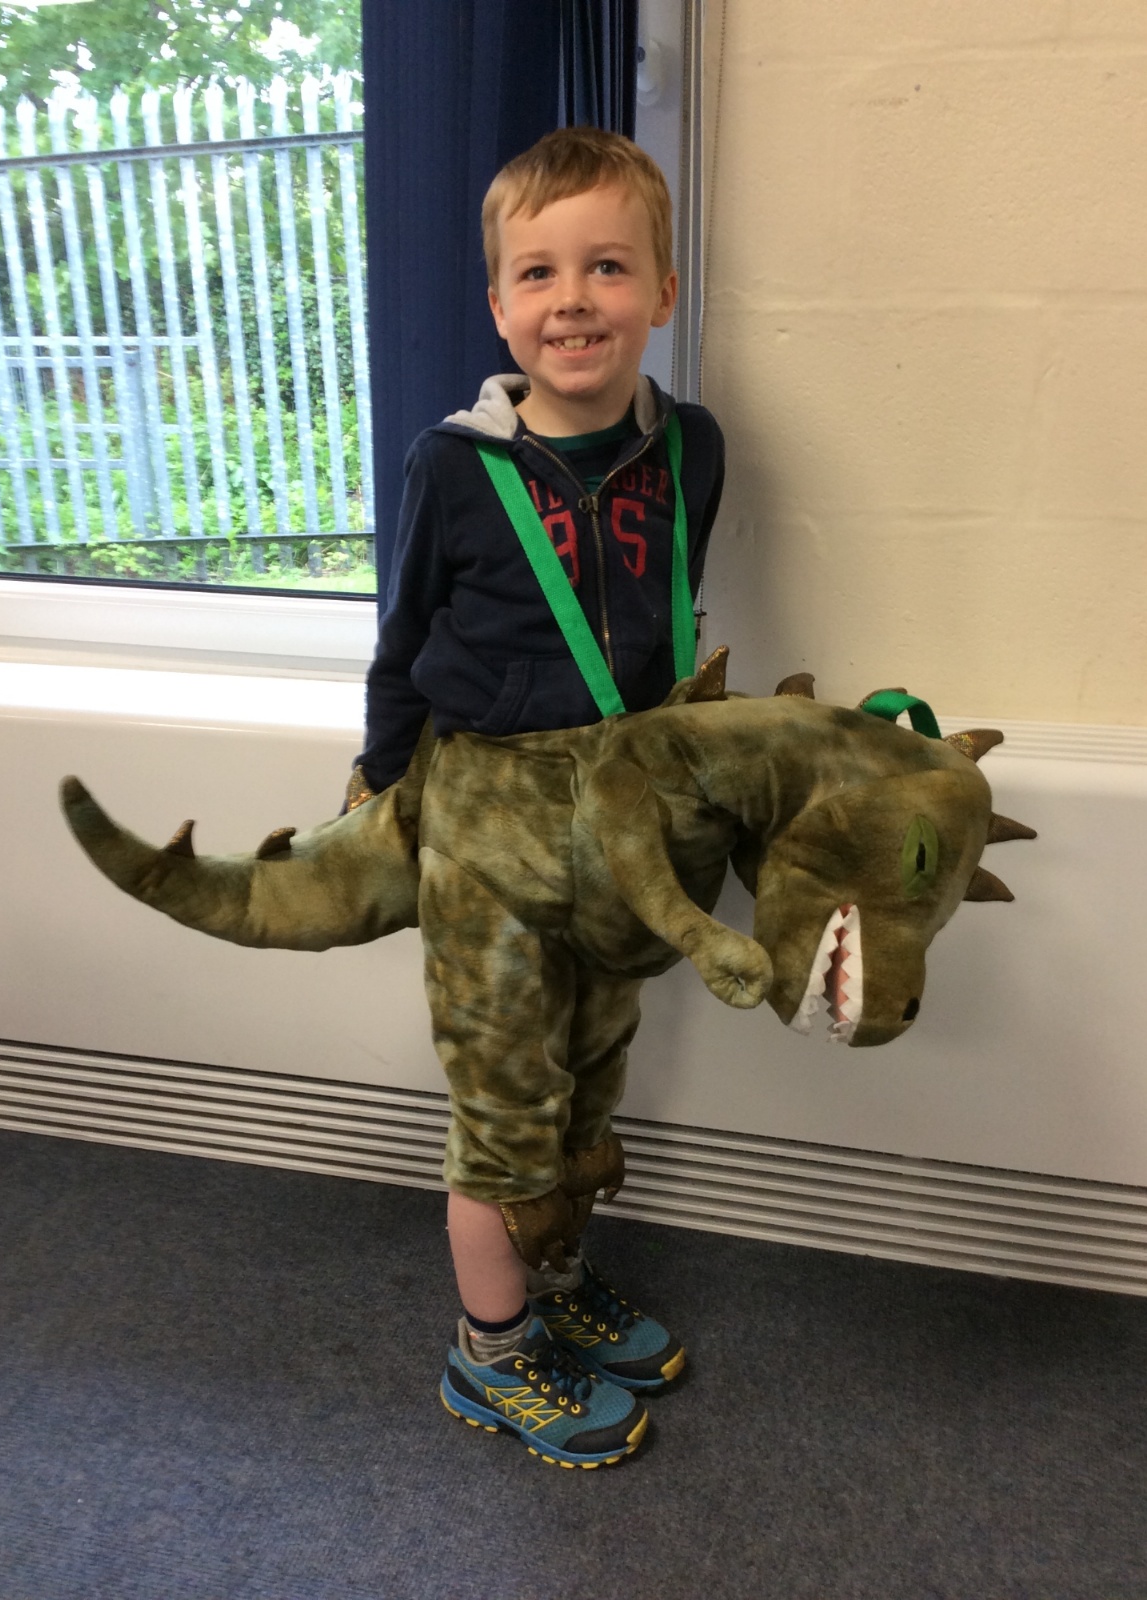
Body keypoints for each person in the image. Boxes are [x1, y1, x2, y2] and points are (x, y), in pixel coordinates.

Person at [348, 126, 725, 1468]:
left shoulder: (693, 448)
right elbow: (404, 641)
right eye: (539, 272)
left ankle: (555, 1279)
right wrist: (381, 790)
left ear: (662, 290)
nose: (574, 299)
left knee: (586, 1082)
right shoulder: (452, 465)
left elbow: (669, 618)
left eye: (608, 266)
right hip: (489, 825)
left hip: (618, 817)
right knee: (505, 1113)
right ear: (501, 305)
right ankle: (491, 1349)